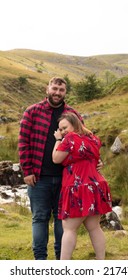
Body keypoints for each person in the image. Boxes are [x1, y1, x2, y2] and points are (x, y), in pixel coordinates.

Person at [18, 77, 84, 260]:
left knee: (62, 220)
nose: (57, 93)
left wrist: (95, 161)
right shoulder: (32, 112)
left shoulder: (73, 114)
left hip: (67, 178)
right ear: (47, 89)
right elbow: (23, 142)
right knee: (40, 219)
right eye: (54, 88)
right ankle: (40, 261)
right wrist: (27, 171)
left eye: (61, 90)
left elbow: (84, 141)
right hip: (38, 178)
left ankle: (60, 260)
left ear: (65, 92)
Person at [52, 112, 112, 260]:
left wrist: (58, 140)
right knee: (94, 228)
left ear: (75, 123)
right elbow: (94, 159)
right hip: (96, 185)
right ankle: (101, 262)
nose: (62, 131)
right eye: (60, 129)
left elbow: (56, 158)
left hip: (77, 187)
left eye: (64, 127)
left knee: (69, 229)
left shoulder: (70, 139)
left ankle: (63, 268)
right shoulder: (93, 138)